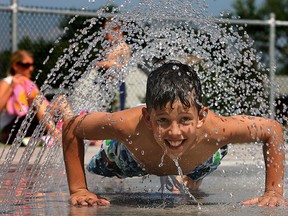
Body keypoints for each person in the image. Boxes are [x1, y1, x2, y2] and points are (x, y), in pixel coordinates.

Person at [62, 61, 287, 207]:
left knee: (212, 156)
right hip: (131, 159)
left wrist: (273, 192)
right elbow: (72, 126)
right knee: (97, 167)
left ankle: (189, 177)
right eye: (163, 121)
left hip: (199, 160)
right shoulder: (126, 126)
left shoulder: (219, 128)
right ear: (148, 118)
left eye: (185, 119)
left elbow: (273, 130)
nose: (175, 131)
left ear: (201, 116)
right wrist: (79, 188)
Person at [0, 50, 71, 144]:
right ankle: (57, 137)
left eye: (32, 65)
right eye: (26, 65)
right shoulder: (8, 81)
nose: (31, 68)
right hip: (11, 130)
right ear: (15, 66)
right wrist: (12, 87)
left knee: (61, 100)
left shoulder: (29, 84)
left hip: (30, 125)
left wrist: (58, 109)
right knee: (37, 100)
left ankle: (74, 131)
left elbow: (45, 106)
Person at [96, 18, 131, 111]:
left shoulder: (122, 46)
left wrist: (103, 64)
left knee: (116, 111)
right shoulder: (111, 47)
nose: (106, 36)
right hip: (107, 83)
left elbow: (122, 67)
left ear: (117, 29)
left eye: (107, 32)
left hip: (117, 85)